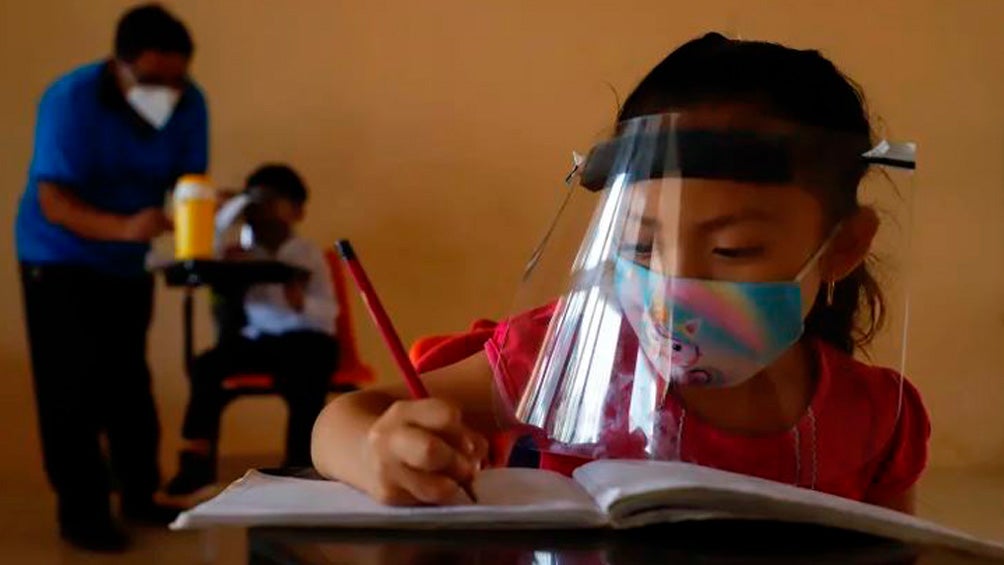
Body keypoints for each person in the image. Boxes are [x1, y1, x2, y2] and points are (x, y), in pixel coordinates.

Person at [310, 33, 930, 514]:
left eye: (734, 250)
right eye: (638, 244)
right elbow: (338, 421)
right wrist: (375, 452)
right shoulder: (563, 353)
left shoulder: (880, 418)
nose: (674, 284)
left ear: (844, 248)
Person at [15, 3, 208, 552]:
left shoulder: (189, 103)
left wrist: (203, 222)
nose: (166, 92)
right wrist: (125, 227)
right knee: (69, 389)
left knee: (128, 381)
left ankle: (140, 494)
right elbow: (53, 199)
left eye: (177, 80)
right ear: (118, 65)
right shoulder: (70, 100)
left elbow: (189, 181)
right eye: (152, 80)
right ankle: (82, 512)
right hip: (55, 258)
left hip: (127, 263)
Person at [163, 164, 339, 504]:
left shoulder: (307, 254)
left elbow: (329, 313)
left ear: (297, 210)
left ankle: (300, 466)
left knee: (306, 376)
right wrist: (226, 212)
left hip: (306, 337)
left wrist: (301, 303)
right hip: (261, 341)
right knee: (207, 367)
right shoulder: (240, 250)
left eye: (274, 201)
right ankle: (196, 464)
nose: (264, 209)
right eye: (256, 201)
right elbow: (205, 255)